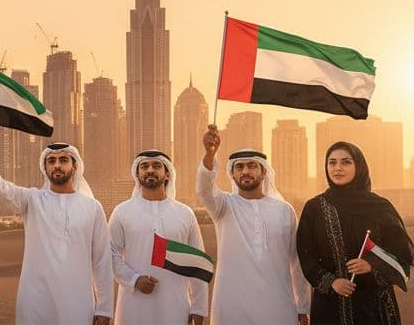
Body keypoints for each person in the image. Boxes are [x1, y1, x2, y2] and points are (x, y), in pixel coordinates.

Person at [0, 137, 114, 325]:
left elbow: (102, 260)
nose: (57, 165)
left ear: (75, 167)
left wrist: (105, 307)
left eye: (63, 160)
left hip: (78, 301)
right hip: (36, 301)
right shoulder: (32, 200)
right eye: (51, 161)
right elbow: (2, 189)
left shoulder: (93, 207)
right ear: (45, 167)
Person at [198, 124, 310, 324]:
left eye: (252, 166)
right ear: (232, 174)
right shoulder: (224, 206)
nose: (245, 171)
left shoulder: (284, 211)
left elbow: (296, 262)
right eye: (239, 167)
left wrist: (302, 306)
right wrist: (210, 154)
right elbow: (204, 189)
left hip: (278, 305)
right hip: (232, 306)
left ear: (264, 172)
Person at [296, 140, 413, 325]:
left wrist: (371, 265)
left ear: (359, 167)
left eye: (346, 162)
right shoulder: (314, 208)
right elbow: (305, 254)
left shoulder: (380, 207)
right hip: (330, 306)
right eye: (332, 162)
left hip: (374, 307)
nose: (338, 168)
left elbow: (402, 256)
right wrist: (331, 282)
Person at [107, 150, 208, 325]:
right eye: (144, 166)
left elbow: (197, 265)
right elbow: (109, 254)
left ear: (167, 174)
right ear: (137, 174)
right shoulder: (122, 211)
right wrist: (135, 280)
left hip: (175, 306)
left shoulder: (185, 213)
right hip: (133, 307)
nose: (150, 170)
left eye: (156, 166)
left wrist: (198, 308)